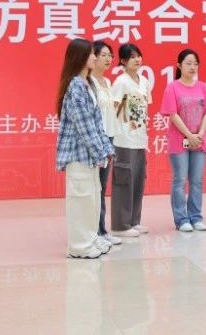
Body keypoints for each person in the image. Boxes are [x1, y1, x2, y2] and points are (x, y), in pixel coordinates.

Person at [55, 38, 114, 259]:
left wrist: (105, 149)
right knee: (80, 201)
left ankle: (90, 238)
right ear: (80, 57)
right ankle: (79, 246)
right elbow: (84, 126)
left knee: (92, 199)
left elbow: (98, 123)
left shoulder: (89, 84)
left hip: (90, 156)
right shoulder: (75, 87)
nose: (95, 57)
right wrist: (100, 152)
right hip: (79, 156)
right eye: (91, 54)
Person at [160, 49, 206, 232]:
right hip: (179, 141)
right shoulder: (172, 87)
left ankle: (196, 217)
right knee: (180, 179)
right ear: (179, 66)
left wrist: (200, 134)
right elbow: (172, 114)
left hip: (199, 140)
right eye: (188, 63)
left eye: (195, 63)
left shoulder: (202, 87)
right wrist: (189, 135)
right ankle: (182, 219)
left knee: (197, 180)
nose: (192, 67)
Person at [110, 43, 151, 238]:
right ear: (123, 61)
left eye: (138, 56)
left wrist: (139, 123)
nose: (137, 59)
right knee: (124, 180)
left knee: (137, 181)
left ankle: (134, 221)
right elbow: (114, 108)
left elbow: (144, 108)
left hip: (140, 139)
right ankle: (121, 225)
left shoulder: (144, 81)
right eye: (132, 57)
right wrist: (128, 119)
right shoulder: (121, 82)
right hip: (124, 139)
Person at [89, 41, 122, 245]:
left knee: (101, 187)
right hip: (96, 140)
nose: (108, 59)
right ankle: (93, 232)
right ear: (93, 57)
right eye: (103, 55)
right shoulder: (89, 82)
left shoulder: (108, 82)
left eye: (110, 55)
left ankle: (101, 230)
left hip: (109, 138)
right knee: (93, 187)